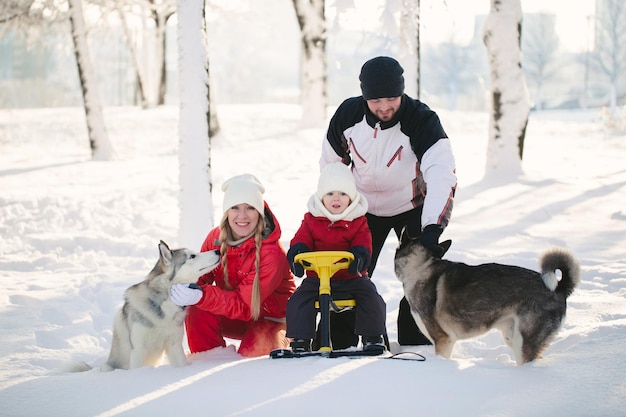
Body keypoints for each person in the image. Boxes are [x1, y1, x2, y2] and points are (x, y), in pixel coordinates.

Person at [319, 56, 457, 348]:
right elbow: (331, 169)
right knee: (345, 269)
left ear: (402, 92)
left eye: (391, 98)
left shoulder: (421, 120)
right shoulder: (348, 115)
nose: (384, 107)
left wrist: (431, 228)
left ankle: (416, 340)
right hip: (362, 207)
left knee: (421, 273)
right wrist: (334, 212)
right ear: (364, 96)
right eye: (375, 100)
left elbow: (442, 175)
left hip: (412, 206)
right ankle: (339, 340)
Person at [169, 174, 296, 357]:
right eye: (235, 207)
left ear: (259, 212)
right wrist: (179, 287)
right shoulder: (215, 239)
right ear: (226, 211)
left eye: (250, 208)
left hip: (273, 320)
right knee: (195, 306)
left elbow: (244, 306)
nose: (242, 216)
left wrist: (202, 294)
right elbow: (198, 279)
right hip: (236, 317)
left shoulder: (272, 253)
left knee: (252, 358)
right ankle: (206, 360)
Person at [285, 162, 387, 353]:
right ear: (321, 197)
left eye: (343, 194)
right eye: (330, 194)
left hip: (351, 278)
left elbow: (363, 243)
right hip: (317, 279)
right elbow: (301, 240)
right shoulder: (311, 220)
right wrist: (297, 255)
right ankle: (301, 340)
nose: (336, 199)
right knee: (298, 301)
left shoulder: (357, 221)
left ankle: (372, 337)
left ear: (351, 197)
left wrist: (359, 258)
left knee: (371, 297)